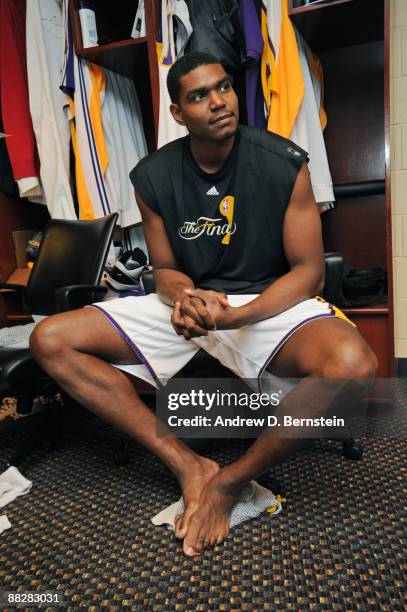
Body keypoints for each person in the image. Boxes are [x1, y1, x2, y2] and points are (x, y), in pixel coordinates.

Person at [30, 52, 378, 557]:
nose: (218, 102)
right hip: (196, 303)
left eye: (224, 88)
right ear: (177, 113)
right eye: (199, 95)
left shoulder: (285, 162)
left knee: (353, 366)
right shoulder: (152, 176)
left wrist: (239, 316)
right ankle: (188, 464)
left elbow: (308, 271)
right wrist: (184, 297)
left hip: (265, 300)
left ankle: (230, 481)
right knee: (50, 339)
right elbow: (165, 268)